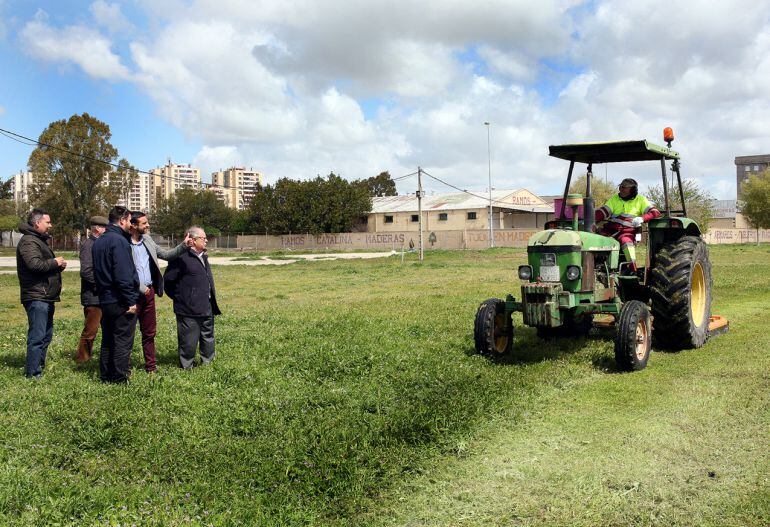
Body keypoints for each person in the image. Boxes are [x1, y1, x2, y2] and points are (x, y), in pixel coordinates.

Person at [129, 211, 189, 373]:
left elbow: (166, 255)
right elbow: (124, 274)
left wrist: (184, 245)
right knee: (127, 333)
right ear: (133, 225)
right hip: (131, 294)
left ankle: (151, 367)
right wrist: (141, 288)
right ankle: (123, 366)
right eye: (144, 223)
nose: (148, 225)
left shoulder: (147, 240)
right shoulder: (123, 244)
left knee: (149, 333)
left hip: (149, 294)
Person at [16, 208, 67, 379]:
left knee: (46, 335)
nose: (50, 225)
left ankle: (39, 367)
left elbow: (41, 265)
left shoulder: (38, 240)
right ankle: (33, 373)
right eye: (48, 222)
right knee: (37, 336)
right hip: (37, 296)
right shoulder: (29, 241)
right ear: (37, 223)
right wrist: (54, 262)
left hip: (45, 295)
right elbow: (34, 265)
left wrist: (57, 265)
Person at [92, 206, 139, 383]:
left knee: (108, 339)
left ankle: (106, 375)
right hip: (119, 299)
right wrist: (131, 300)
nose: (130, 225)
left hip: (105, 298)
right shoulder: (119, 241)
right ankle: (119, 377)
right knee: (122, 340)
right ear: (122, 220)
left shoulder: (99, 240)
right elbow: (123, 275)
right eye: (129, 221)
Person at [164, 226, 221, 369]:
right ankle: (186, 366)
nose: (207, 240)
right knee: (188, 340)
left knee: (208, 336)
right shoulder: (180, 258)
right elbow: (168, 282)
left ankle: (207, 364)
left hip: (206, 305)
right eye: (203, 238)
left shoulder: (203, 256)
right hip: (188, 309)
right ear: (193, 240)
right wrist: (183, 298)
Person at [595, 178, 661, 272]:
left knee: (626, 242)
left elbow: (655, 212)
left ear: (633, 190)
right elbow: (603, 212)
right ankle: (598, 267)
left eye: (624, 187)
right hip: (611, 231)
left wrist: (642, 218)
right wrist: (589, 217)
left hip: (628, 232)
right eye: (620, 187)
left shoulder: (640, 200)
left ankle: (633, 270)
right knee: (597, 239)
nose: (620, 189)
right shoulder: (615, 199)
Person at [76, 215, 109, 364]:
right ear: (97, 229)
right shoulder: (89, 245)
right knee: (91, 331)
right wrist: (103, 284)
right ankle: (83, 359)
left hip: (103, 295)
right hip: (93, 296)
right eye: (104, 227)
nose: (107, 230)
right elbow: (86, 271)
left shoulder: (100, 244)